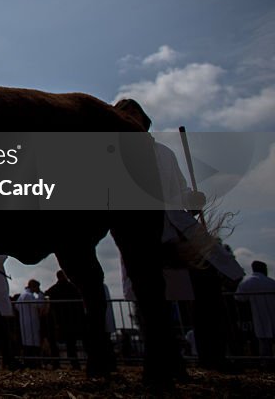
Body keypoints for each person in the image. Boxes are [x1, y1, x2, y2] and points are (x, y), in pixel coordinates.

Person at [114, 98, 244, 370]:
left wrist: (192, 198)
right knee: (151, 296)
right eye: (123, 116)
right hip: (140, 232)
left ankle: (213, 355)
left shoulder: (164, 153)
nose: (130, 120)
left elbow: (179, 190)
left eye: (133, 114)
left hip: (175, 226)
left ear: (144, 119)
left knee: (206, 281)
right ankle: (166, 357)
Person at [235, 261, 275, 360]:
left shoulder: (246, 282)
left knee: (263, 342)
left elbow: (239, 298)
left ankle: (266, 364)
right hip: (270, 315)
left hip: (258, 317)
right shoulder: (271, 282)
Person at [44, 269, 83, 369]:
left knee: (55, 342)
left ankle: (56, 363)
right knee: (71, 343)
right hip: (70, 319)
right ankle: (74, 363)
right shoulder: (72, 287)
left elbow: (47, 293)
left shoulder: (54, 289)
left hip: (57, 319)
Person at [15, 279, 48, 368]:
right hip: (31, 322)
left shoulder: (22, 295)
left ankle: (29, 362)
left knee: (27, 342)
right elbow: (39, 305)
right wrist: (40, 294)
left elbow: (17, 306)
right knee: (33, 342)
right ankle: (33, 363)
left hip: (24, 321)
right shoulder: (29, 296)